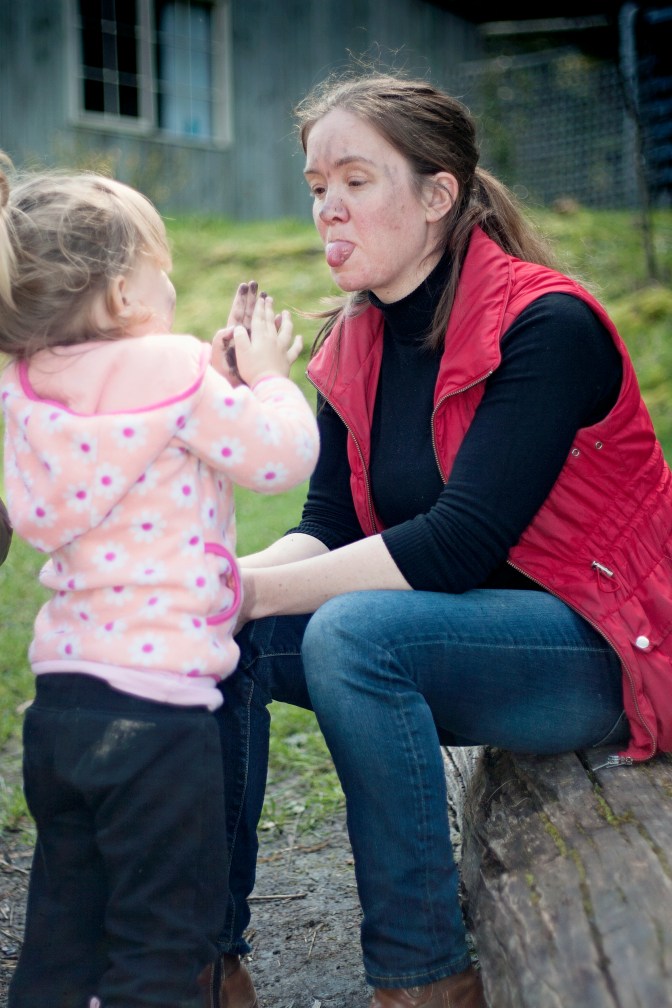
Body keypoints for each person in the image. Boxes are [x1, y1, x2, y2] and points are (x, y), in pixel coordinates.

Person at [203, 70, 672, 1008]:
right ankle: (208, 962)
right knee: (222, 635)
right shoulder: (355, 339)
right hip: (466, 643)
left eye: (356, 181)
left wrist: (249, 590)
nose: (328, 208)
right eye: (315, 186)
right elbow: (328, 528)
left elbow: (455, 546)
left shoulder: (546, 324)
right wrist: (213, 581)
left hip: (604, 650)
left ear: (437, 195)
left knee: (352, 634)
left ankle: (423, 980)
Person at [0, 163, 319, 1008]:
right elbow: (280, 455)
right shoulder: (174, 368)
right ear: (117, 293)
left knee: (63, 936)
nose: (172, 282)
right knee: (164, 944)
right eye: (161, 266)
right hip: (160, 716)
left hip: (63, 709)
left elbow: (134, 428)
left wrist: (209, 384)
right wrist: (268, 379)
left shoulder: (27, 383)